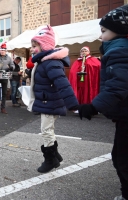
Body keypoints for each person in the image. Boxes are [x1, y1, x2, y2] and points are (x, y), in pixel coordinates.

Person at [78, 5, 128, 200]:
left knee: (122, 159)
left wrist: (94, 106)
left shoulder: (119, 52)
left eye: (104, 31)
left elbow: (118, 86)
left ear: (120, 31)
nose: (101, 36)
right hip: (123, 115)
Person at [28, 25, 79, 173]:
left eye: (34, 46)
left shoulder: (51, 62)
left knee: (46, 130)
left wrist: (73, 104)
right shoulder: (44, 61)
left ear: (44, 45)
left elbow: (62, 83)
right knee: (48, 129)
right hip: (48, 101)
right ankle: (55, 154)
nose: (31, 49)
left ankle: (50, 160)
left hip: (50, 102)